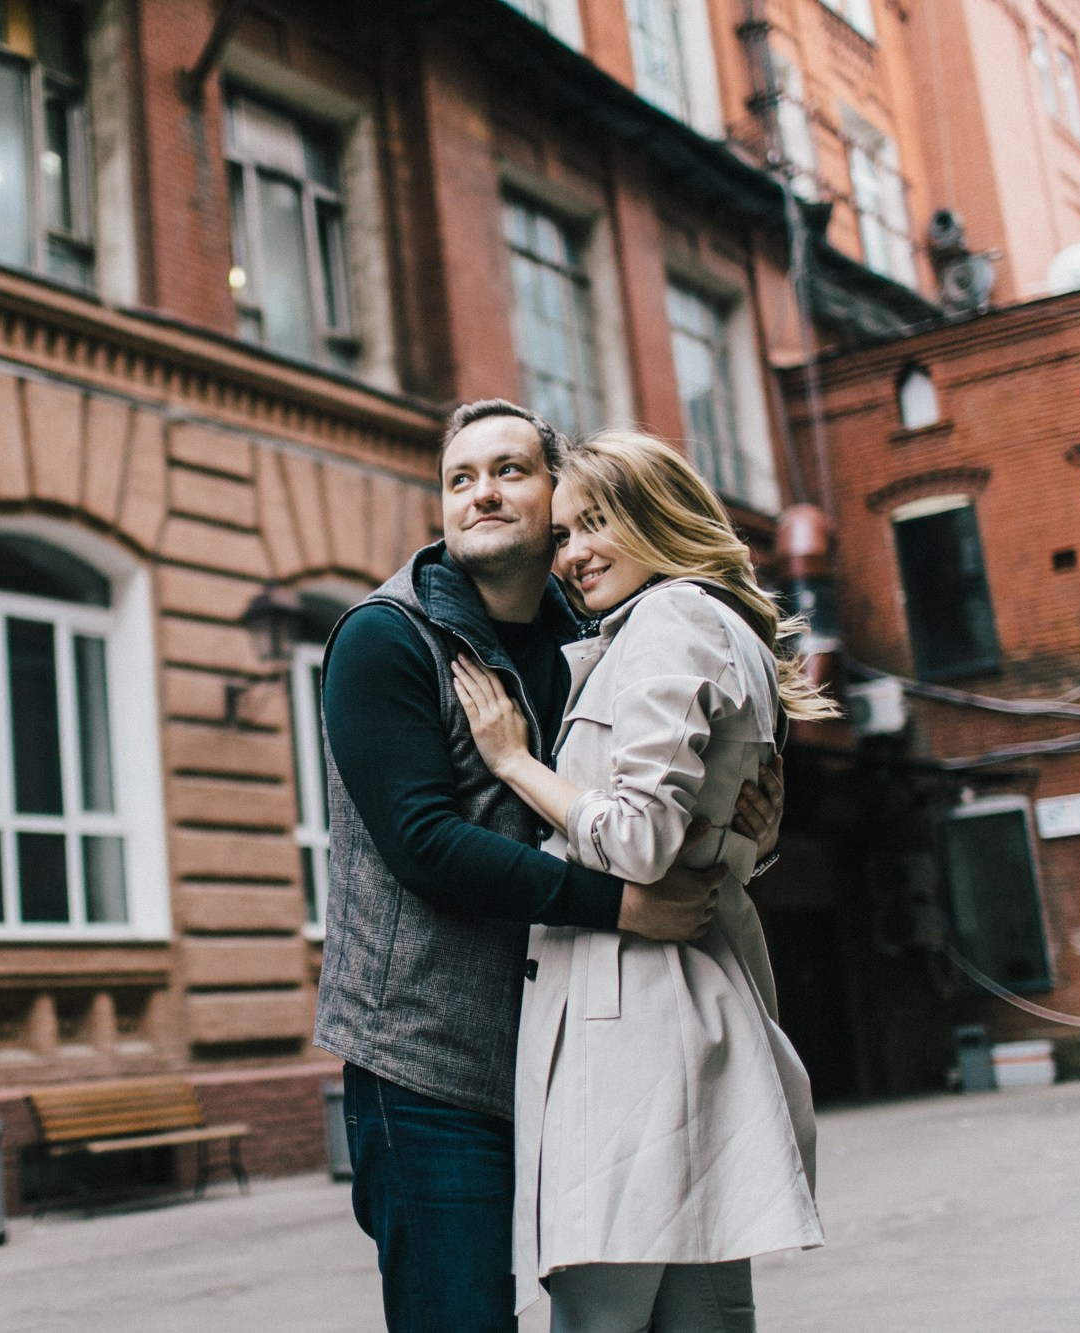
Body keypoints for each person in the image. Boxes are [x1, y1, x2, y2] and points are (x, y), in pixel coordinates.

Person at [313, 401, 784, 1333]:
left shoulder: (597, 627)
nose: (482, 492)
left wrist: (745, 834)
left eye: (510, 471)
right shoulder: (386, 637)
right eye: (459, 477)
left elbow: (638, 806)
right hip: (429, 1060)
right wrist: (623, 907)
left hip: (568, 1047)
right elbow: (425, 845)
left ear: (556, 494)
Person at [449, 428, 835, 1333]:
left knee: (600, 1316)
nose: (573, 554)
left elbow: (640, 839)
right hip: (682, 1007)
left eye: (597, 525)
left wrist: (513, 762)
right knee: (705, 1314)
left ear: (658, 518)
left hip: (629, 1030)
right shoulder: (700, 626)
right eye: (565, 536)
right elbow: (717, 833)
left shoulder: (670, 621)